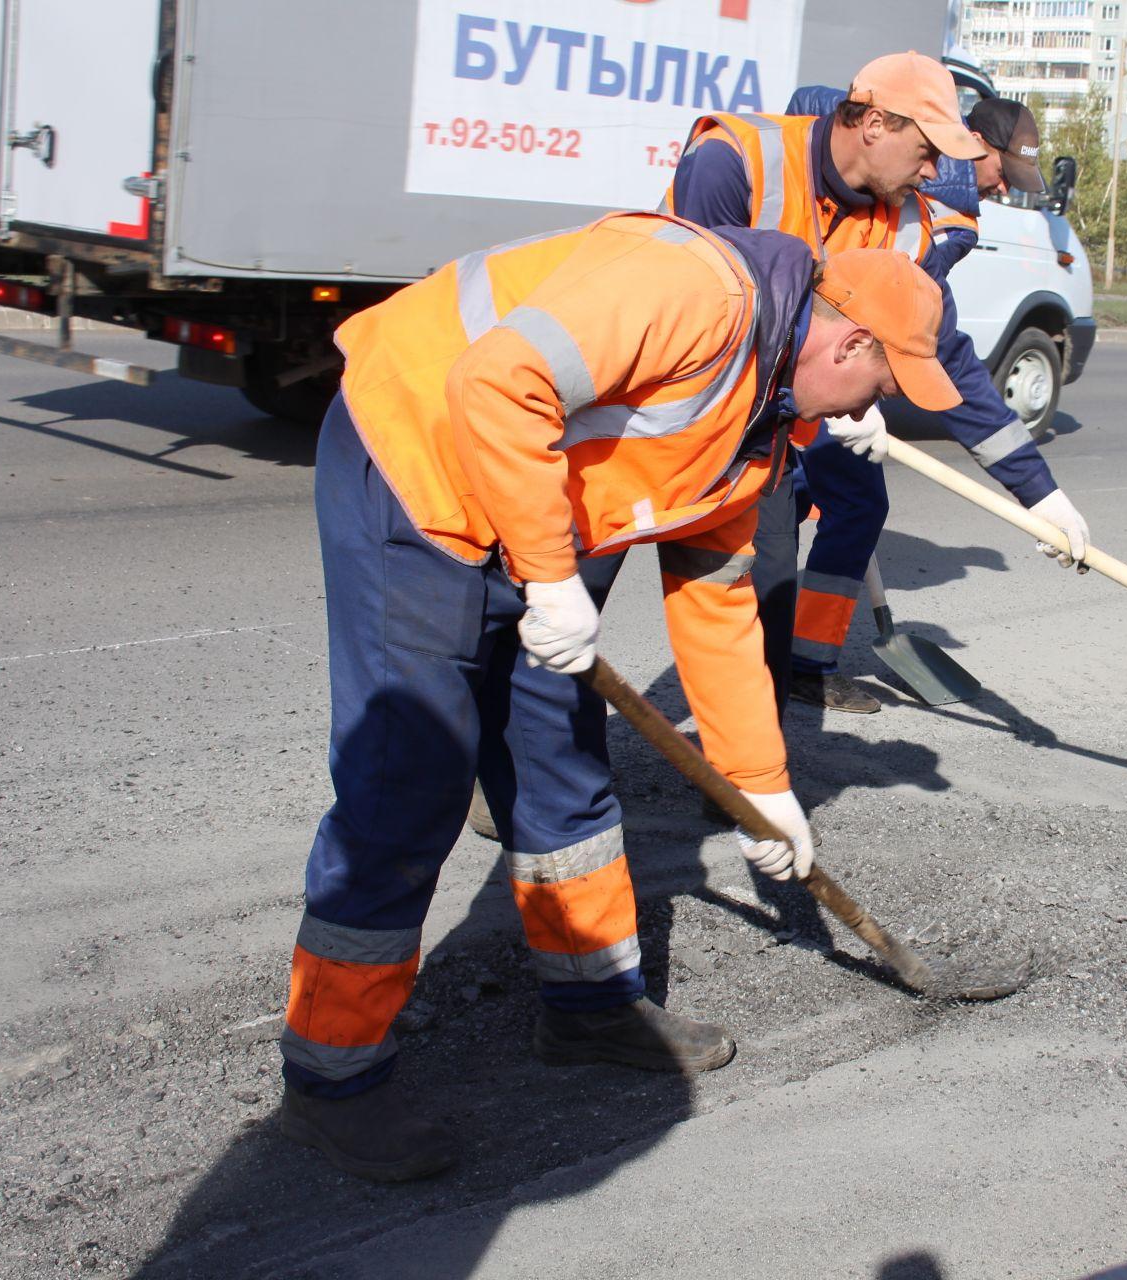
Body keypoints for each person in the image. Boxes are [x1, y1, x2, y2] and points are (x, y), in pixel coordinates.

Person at [279, 210, 961, 1183]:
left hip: (524, 506)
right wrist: (554, 580)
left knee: (558, 752)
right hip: (416, 458)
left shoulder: (760, 430)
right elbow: (496, 379)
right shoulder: (695, 293)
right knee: (411, 780)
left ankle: (593, 1000)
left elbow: (718, 613)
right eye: (879, 386)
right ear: (848, 340)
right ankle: (331, 1076)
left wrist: (761, 787)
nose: (866, 416)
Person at [668, 52, 1092, 717]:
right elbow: (705, 316)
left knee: (765, 586)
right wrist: (823, 380)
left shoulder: (913, 225)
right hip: (663, 408)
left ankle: (750, 772)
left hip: (772, 425)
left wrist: (1042, 497)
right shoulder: (737, 163)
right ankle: (525, 771)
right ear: (872, 123)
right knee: (567, 597)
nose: (936, 174)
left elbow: (948, 358)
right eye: (925, 152)